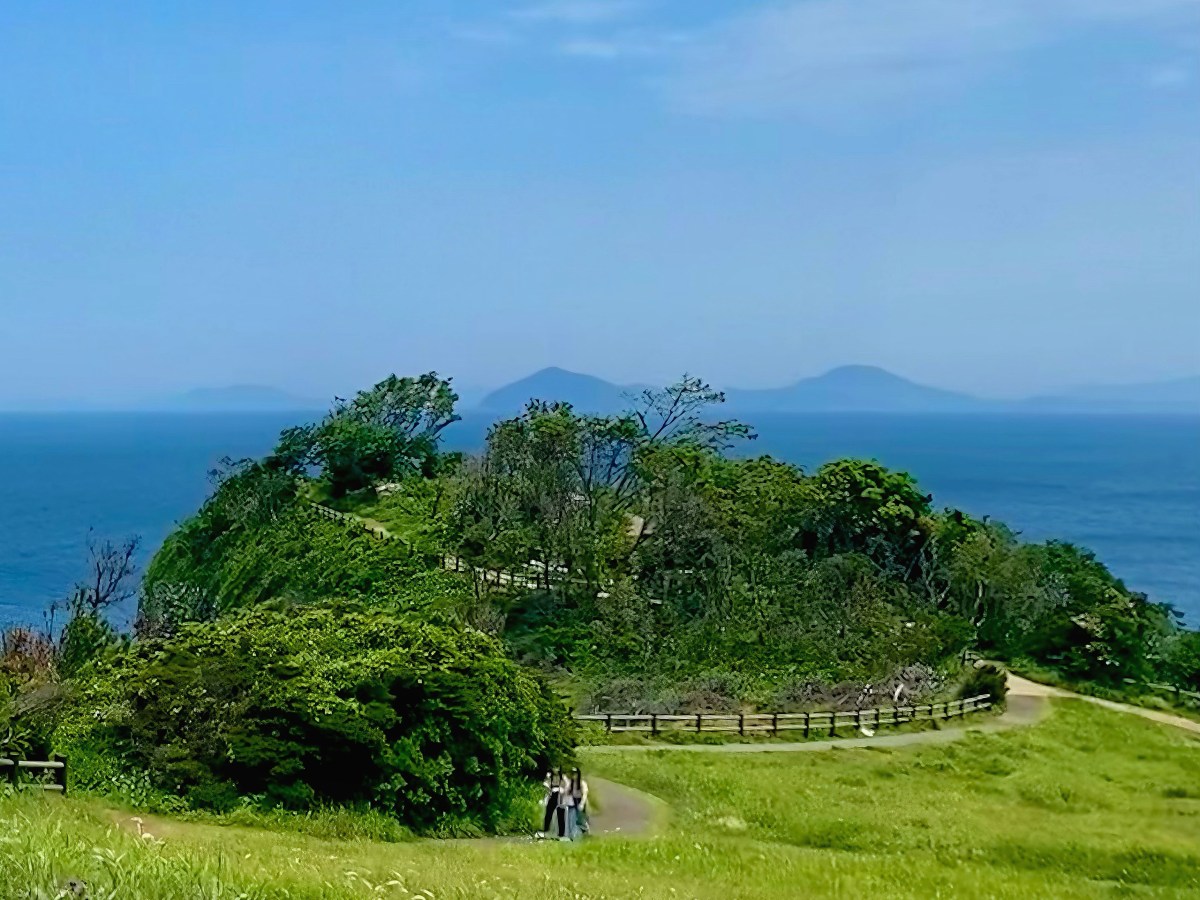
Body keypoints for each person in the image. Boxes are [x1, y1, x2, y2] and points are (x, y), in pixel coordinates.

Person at [537, 769, 562, 839]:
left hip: (560, 795)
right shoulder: (550, 775)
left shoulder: (562, 777)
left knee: (560, 813)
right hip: (552, 795)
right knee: (549, 812)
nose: (556, 770)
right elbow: (545, 784)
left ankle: (561, 831)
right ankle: (546, 829)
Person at [570, 767, 589, 838]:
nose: (574, 775)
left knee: (581, 818)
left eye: (575, 773)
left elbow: (585, 794)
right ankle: (574, 834)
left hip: (580, 800)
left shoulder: (582, 783)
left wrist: (582, 804)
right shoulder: (571, 782)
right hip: (573, 801)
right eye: (573, 773)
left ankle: (586, 832)